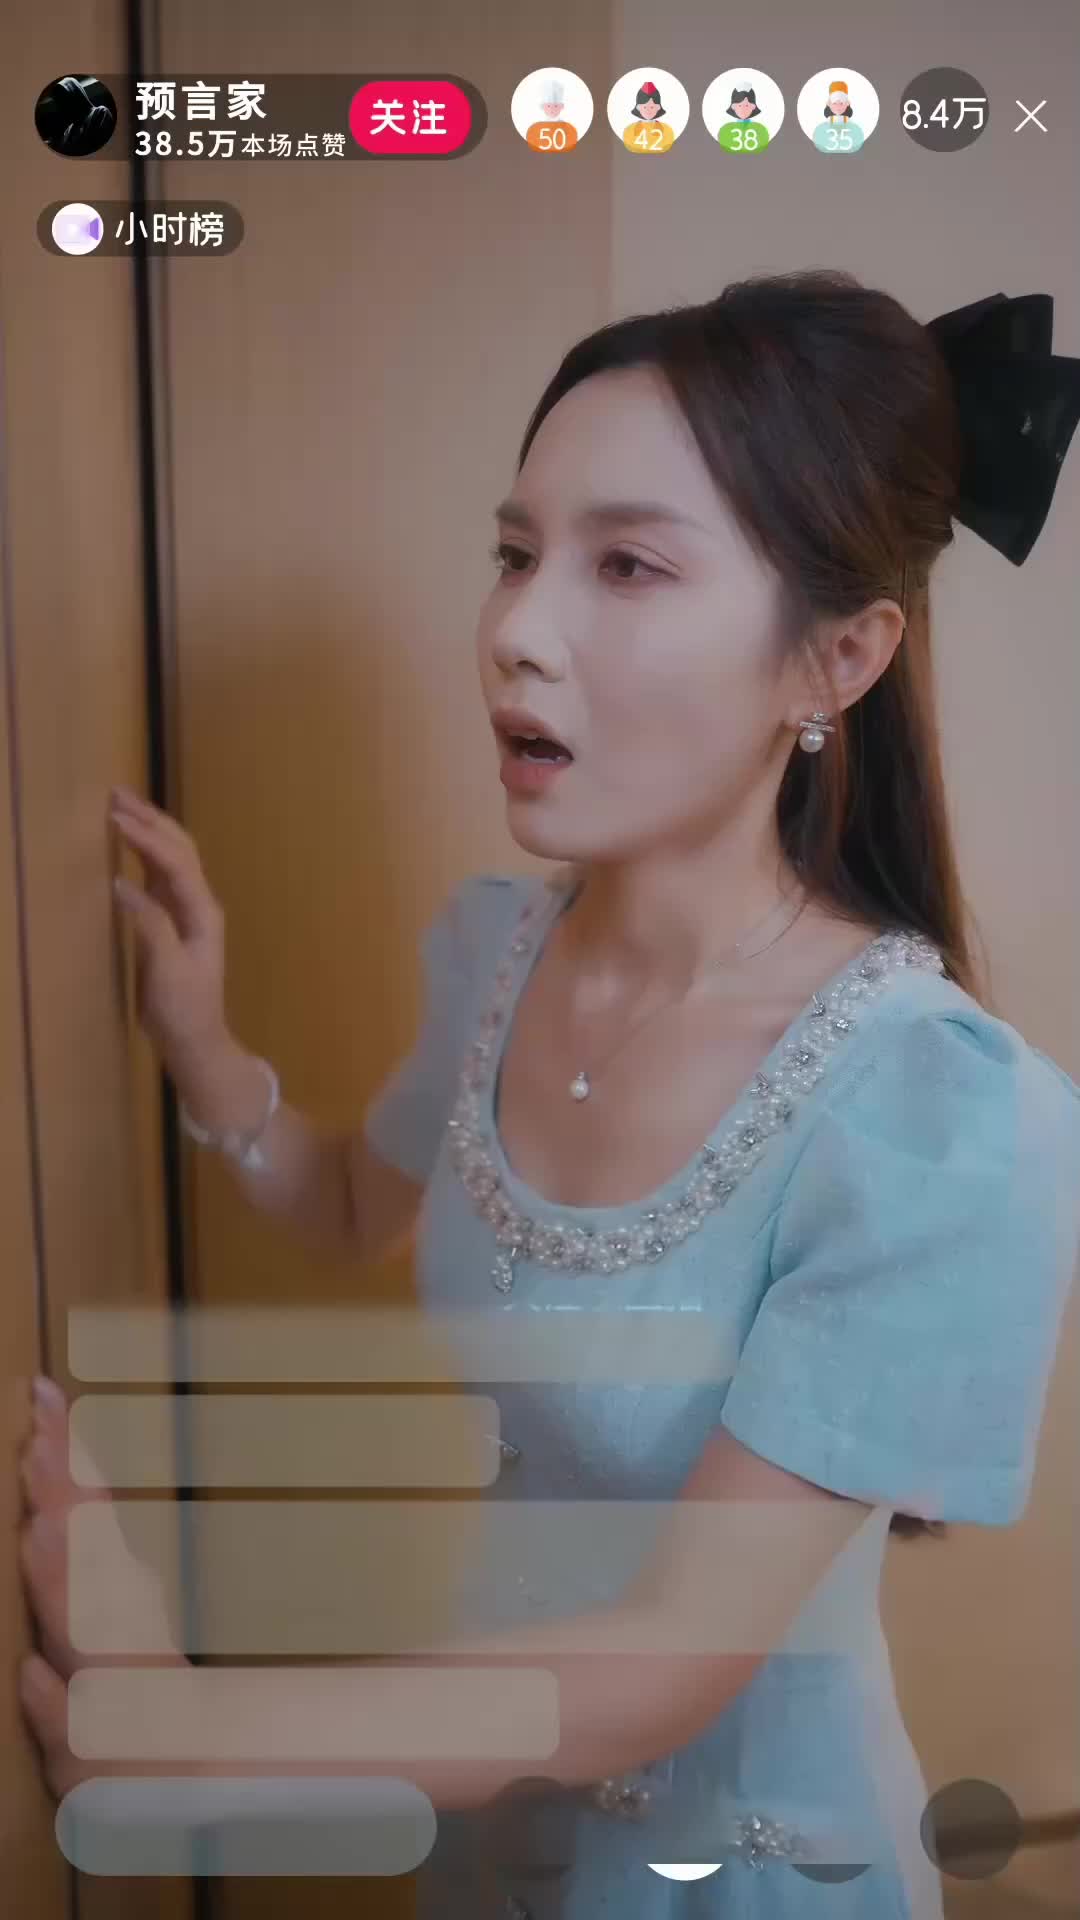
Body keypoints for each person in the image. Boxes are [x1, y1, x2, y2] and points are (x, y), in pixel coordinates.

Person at [18, 270, 1080, 1917]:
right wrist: (205, 1046)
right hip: (489, 1820)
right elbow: (357, 1203)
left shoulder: (937, 1118)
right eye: (516, 554)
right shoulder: (500, 953)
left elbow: (666, 1659)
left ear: (836, 657)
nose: (516, 628)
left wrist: (184, 1735)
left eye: (627, 565)